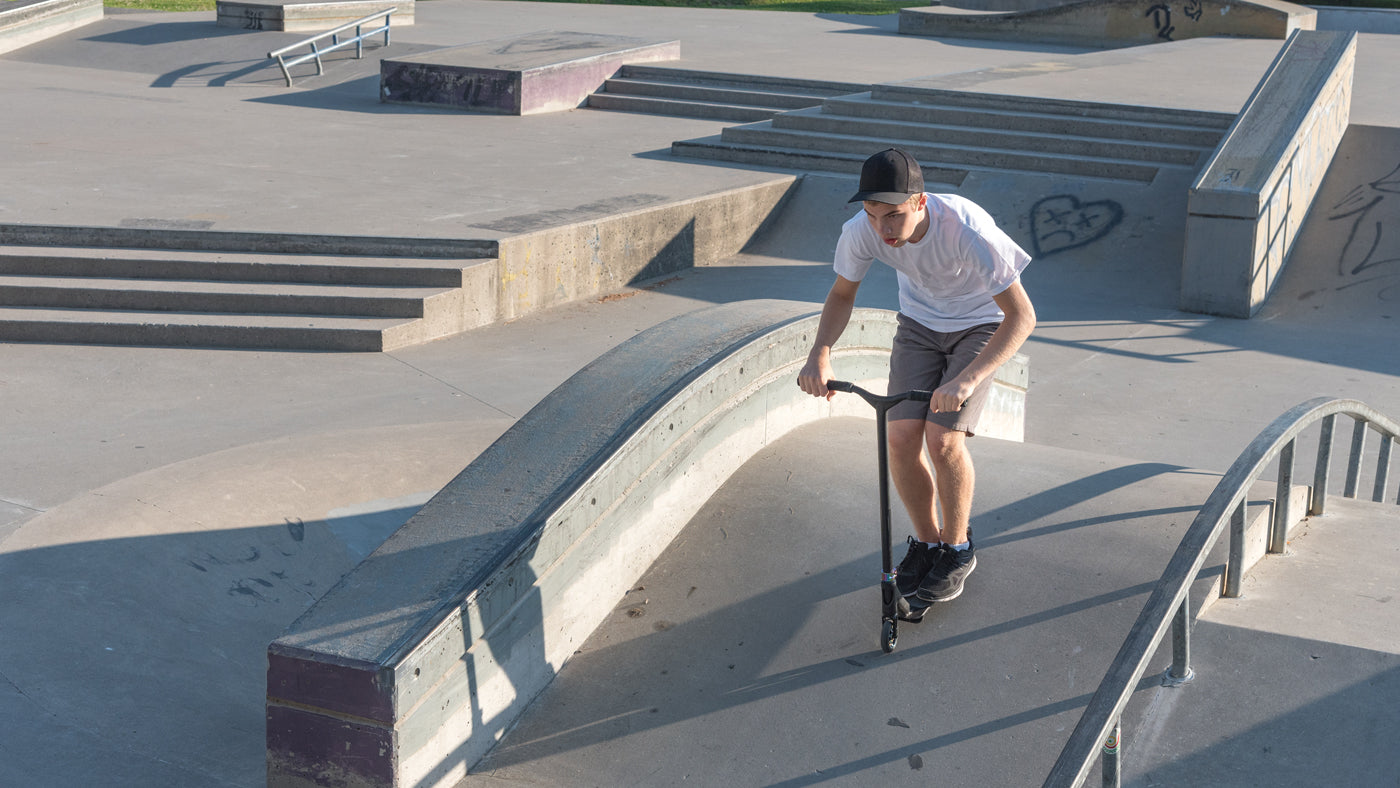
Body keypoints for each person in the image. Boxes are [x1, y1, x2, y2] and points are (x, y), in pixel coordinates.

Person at [798, 147, 1036, 617]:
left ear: (920, 202)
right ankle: (928, 544)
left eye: (893, 216)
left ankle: (958, 547)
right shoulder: (860, 232)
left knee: (942, 438)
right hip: (919, 326)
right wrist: (819, 354)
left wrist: (967, 379)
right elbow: (842, 294)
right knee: (901, 437)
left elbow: (1022, 316)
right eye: (872, 215)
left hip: (981, 326)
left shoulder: (967, 231)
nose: (882, 229)